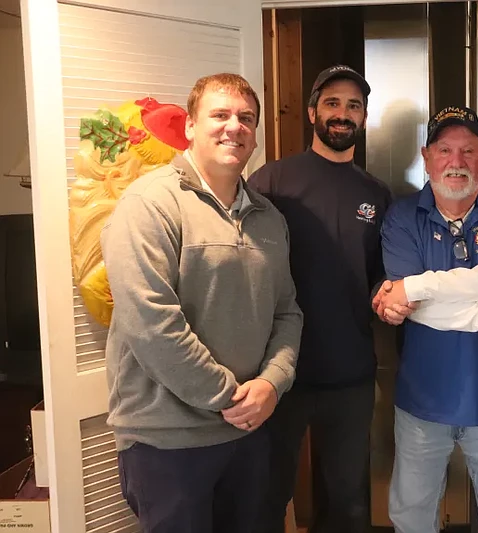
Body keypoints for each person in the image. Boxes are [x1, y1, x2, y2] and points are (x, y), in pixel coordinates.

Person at [101, 73, 303, 533]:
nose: (235, 126)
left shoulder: (269, 217)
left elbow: (287, 311)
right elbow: (151, 322)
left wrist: (273, 382)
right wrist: (227, 395)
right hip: (168, 443)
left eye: (246, 118)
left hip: (250, 432)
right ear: (190, 126)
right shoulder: (149, 205)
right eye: (221, 115)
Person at [372, 105, 478, 533]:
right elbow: (412, 310)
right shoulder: (403, 216)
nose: (456, 162)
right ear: (427, 157)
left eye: (468, 151)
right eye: (445, 150)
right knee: (412, 514)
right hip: (423, 399)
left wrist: (419, 288)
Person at [248, 65, 392, 533]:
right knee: (267, 492)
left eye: (354, 106)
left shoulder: (375, 193)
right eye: (332, 103)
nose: (342, 114)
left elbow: (378, 276)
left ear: (364, 119)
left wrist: (391, 296)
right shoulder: (272, 181)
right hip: (278, 372)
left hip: (350, 373)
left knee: (348, 502)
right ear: (313, 112)